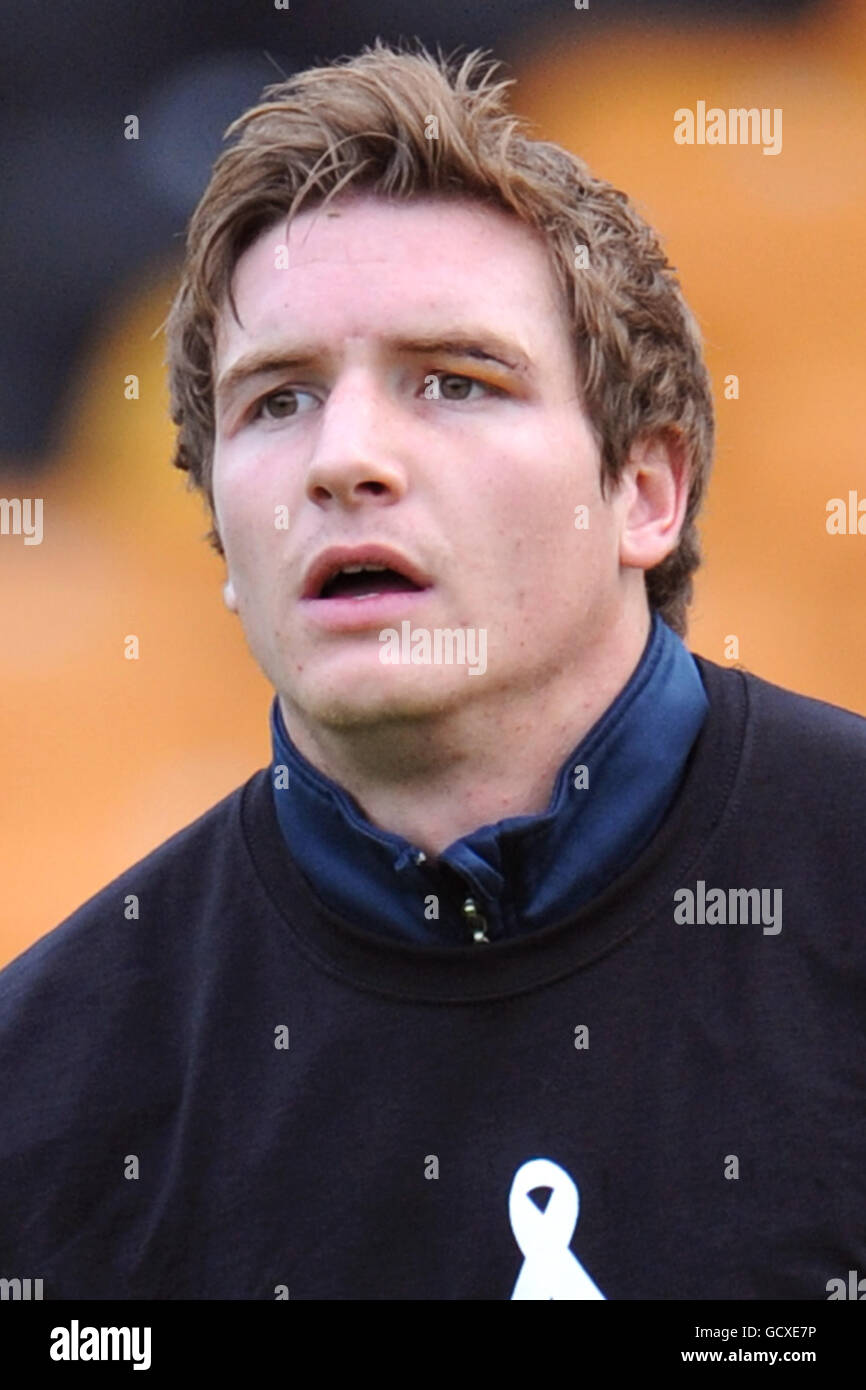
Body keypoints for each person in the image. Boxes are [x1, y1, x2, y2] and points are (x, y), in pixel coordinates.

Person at [1, 40, 864, 1303]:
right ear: (219, 539)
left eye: (454, 382)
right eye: (277, 402)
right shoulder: (51, 1081)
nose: (344, 457)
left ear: (644, 491)